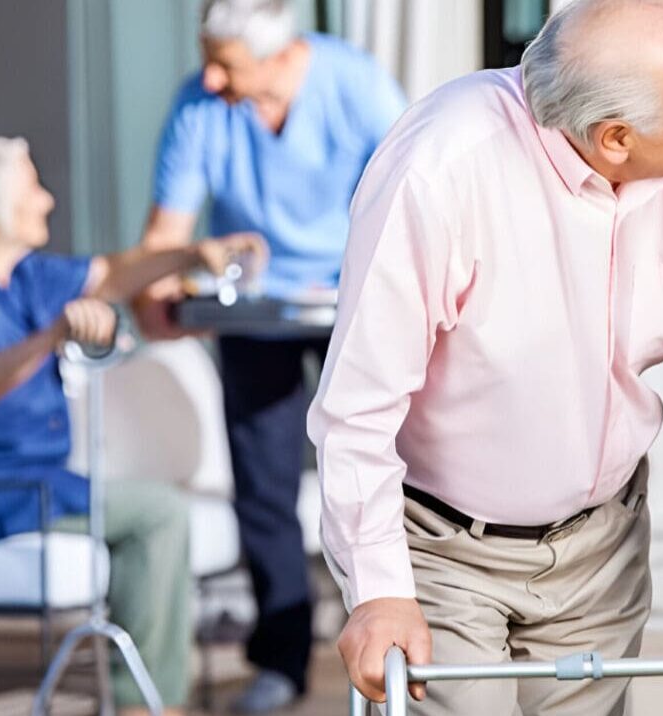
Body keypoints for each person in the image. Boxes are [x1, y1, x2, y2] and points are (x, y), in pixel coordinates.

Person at [306, 1, 663, 713]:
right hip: (442, 548)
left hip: (603, 545)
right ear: (617, 138)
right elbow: (358, 404)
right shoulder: (442, 166)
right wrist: (380, 589)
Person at [131, 0, 406, 710]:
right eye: (209, 60)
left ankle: (402, 644)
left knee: (388, 470)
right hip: (257, 314)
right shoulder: (200, 105)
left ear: (282, 55)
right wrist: (157, 292)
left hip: (357, 304)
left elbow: (414, 195)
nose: (211, 78)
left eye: (226, 63)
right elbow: (169, 229)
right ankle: (282, 658)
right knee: (263, 490)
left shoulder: (354, 83)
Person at [0, 136, 264, 716]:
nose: (46, 202)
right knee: (157, 512)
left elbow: (116, 272)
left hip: (49, 483)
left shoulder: (30, 277)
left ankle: (143, 694)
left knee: (157, 510)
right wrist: (51, 338)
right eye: (33, 190)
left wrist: (192, 255)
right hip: (10, 491)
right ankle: (142, 704)